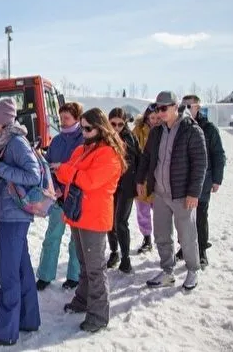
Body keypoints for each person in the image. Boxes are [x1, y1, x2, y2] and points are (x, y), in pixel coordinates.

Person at [0, 97, 41, 347]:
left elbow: (32, 175)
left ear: (2, 122)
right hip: (11, 213)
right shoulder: (7, 142)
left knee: (8, 273)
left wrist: (0, 169)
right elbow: (8, 171)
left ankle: (5, 332)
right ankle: (28, 319)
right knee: (22, 270)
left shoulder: (15, 142)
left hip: (14, 215)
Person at [56, 108, 125, 333]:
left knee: (95, 268)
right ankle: (82, 300)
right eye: (82, 127)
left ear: (100, 128)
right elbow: (68, 174)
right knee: (84, 265)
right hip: (78, 214)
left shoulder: (108, 153)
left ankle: (98, 315)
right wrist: (69, 172)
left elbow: (88, 180)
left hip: (94, 218)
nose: (84, 132)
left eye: (88, 128)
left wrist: (69, 172)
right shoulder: (82, 149)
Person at [136, 91, 207, 290]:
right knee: (161, 234)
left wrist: (194, 192)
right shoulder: (157, 131)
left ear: (176, 107)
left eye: (164, 108)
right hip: (160, 193)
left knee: (187, 235)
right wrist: (141, 180)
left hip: (182, 194)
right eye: (157, 108)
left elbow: (200, 163)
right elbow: (146, 157)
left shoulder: (191, 130)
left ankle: (192, 270)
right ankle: (167, 271)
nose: (159, 112)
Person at [35, 102, 83, 290]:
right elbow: (48, 166)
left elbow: (80, 170)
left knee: (75, 240)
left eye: (67, 118)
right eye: (60, 118)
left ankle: (74, 276)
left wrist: (66, 187)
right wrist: (53, 186)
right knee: (52, 236)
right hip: (56, 197)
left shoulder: (83, 141)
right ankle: (45, 275)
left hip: (75, 197)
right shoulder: (56, 140)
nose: (62, 122)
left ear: (77, 119)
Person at [176, 95, 226, 268]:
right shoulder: (179, 126)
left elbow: (218, 154)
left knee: (200, 216)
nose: (186, 109)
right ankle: (184, 247)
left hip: (203, 180)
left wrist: (217, 179)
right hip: (183, 181)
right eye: (183, 105)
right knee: (183, 217)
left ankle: (202, 250)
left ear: (198, 107)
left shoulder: (209, 128)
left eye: (189, 105)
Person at [106, 108, 140, 273]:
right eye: (113, 124)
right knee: (109, 222)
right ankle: (114, 252)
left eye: (121, 124)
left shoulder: (129, 138)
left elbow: (135, 160)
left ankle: (126, 257)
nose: (117, 127)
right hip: (109, 186)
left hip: (126, 186)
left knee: (120, 222)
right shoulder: (105, 136)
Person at [132, 103, 160, 253]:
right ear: (147, 117)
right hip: (142, 178)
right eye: (152, 117)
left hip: (158, 179)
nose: (154, 120)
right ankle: (147, 238)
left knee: (161, 212)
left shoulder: (164, 130)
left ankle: (162, 239)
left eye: (157, 117)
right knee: (142, 211)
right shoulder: (138, 130)